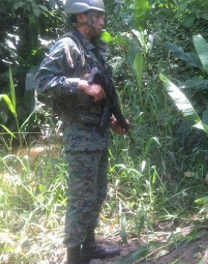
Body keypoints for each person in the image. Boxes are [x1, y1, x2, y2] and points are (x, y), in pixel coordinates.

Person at [34, 0, 128, 263]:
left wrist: (111, 118)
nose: (102, 22)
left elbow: (102, 91)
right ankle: (74, 256)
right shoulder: (67, 46)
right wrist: (81, 86)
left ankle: (89, 246)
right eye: (98, 17)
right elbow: (42, 81)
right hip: (80, 135)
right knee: (80, 198)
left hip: (97, 132)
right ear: (83, 17)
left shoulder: (92, 49)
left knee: (96, 194)